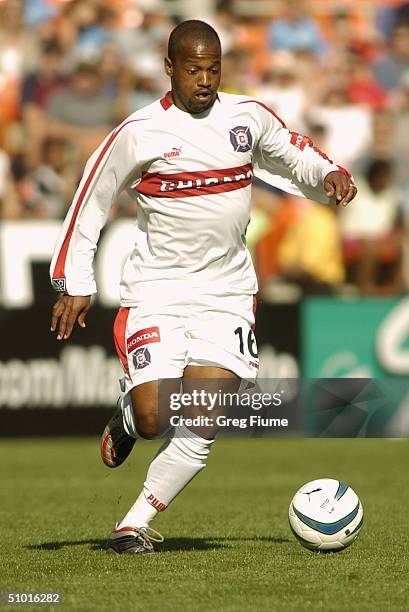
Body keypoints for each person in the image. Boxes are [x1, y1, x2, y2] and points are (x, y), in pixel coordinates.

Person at [49, 20, 357, 555]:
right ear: (169, 68)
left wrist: (326, 173)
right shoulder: (138, 132)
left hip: (227, 295)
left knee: (204, 417)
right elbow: (90, 203)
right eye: (193, 69)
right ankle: (129, 415)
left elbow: (291, 150)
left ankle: (133, 523)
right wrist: (74, 281)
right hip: (157, 293)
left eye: (214, 68)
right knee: (153, 417)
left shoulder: (246, 117)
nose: (205, 80)